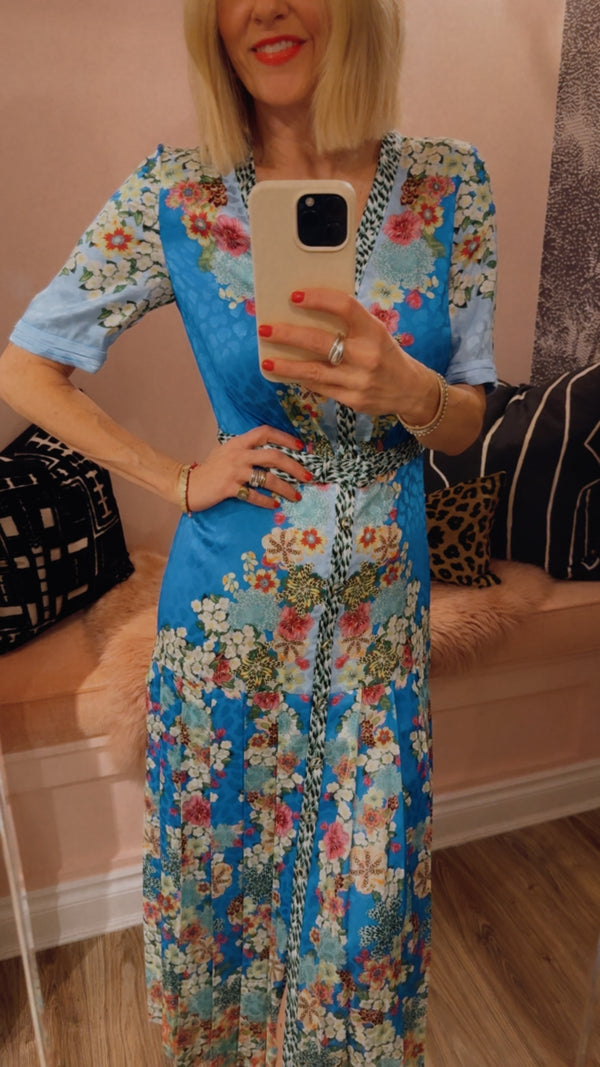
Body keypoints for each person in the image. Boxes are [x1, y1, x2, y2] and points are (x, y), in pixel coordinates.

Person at [0, 1, 497, 1063]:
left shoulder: (450, 184)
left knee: (368, 914)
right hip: (228, 624)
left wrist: (411, 390)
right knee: (218, 898)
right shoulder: (177, 195)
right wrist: (176, 477)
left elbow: (468, 416)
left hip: (378, 638)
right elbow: (27, 366)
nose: (264, 6)